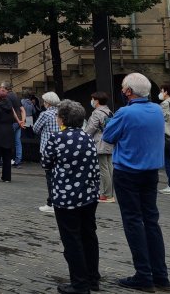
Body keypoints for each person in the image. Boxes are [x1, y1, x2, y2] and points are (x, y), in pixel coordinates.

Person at [102, 73, 170, 292]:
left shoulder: (125, 112)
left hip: (127, 172)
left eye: (123, 88)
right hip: (151, 172)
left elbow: (108, 136)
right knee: (151, 221)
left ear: (129, 92)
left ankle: (143, 275)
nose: (122, 91)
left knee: (133, 222)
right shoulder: (157, 110)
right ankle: (161, 275)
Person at [41, 100, 101, 294]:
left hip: (66, 197)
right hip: (89, 195)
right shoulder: (87, 136)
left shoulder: (57, 138)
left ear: (63, 118)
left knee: (72, 240)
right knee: (89, 235)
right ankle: (92, 278)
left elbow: (46, 163)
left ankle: (80, 283)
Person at [33, 91, 61, 213]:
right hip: (61, 147)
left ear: (48, 103)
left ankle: (51, 203)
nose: (43, 103)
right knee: (59, 175)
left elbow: (35, 128)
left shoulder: (45, 114)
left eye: (44, 101)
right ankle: (59, 200)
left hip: (47, 147)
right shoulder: (61, 113)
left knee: (50, 176)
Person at [85, 92, 114, 203]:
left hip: (100, 143)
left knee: (103, 169)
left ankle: (107, 195)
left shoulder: (97, 113)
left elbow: (90, 129)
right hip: (109, 142)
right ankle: (110, 194)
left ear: (96, 101)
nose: (92, 101)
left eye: (93, 99)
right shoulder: (109, 111)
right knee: (110, 168)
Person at [1, 81, 26, 168]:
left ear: (5, 88)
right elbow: (22, 110)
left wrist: (19, 121)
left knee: (5, 141)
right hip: (18, 123)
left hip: (12, 122)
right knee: (17, 142)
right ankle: (18, 161)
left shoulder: (6, 97)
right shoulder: (16, 96)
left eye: (1, 87)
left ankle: (5, 160)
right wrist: (22, 121)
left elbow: (12, 111)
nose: (0, 89)